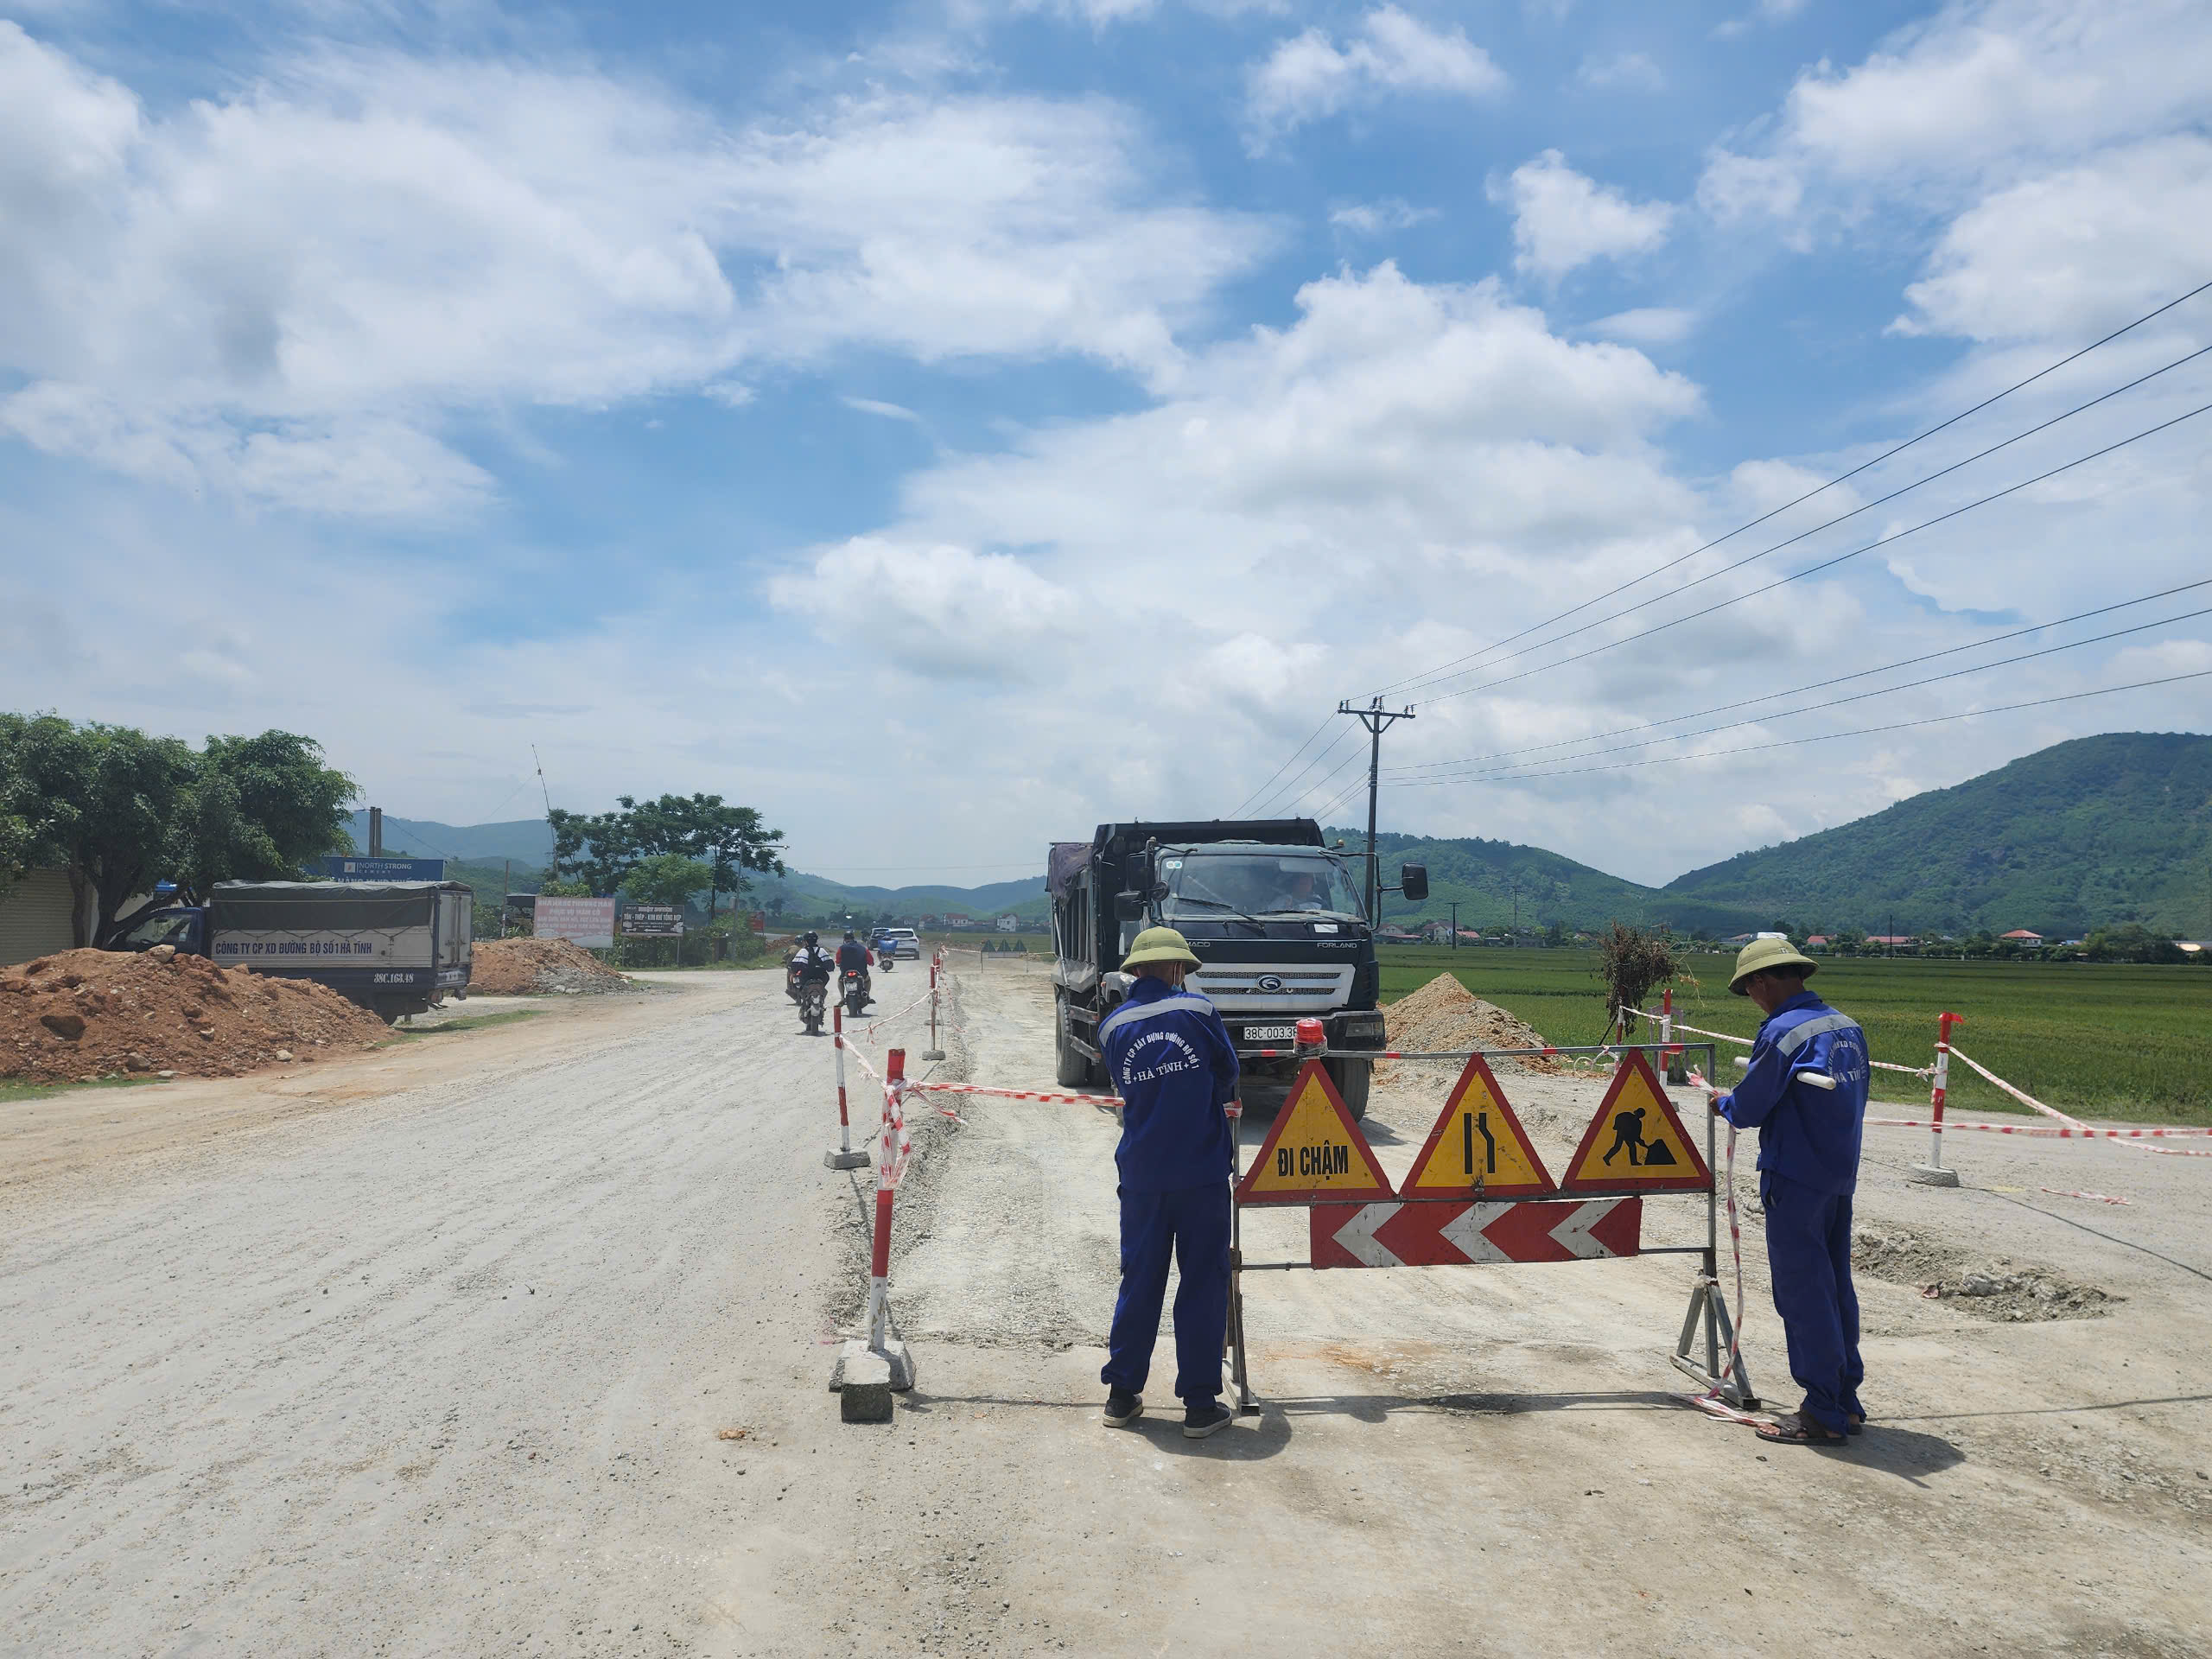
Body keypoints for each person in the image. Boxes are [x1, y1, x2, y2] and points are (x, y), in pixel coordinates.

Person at [1712, 936, 1872, 1448]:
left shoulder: (1784, 1031)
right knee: (1834, 1287)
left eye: (1750, 990)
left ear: (1763, 981)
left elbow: (1752, 1106)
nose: (1753, 1000)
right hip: (1836, 1174)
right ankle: (1845, 1401)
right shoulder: (1846, 1026)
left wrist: (1724, 1103)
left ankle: (1822, 1412)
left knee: (1803, 1294)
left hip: (1795, 1177)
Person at [1096, 926, 1242, 1440]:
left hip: (1141, 1177)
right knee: (1201, 1282)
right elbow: (1227, 1074)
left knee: (1140, 1280)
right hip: (1200, 1173)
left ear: (1135, 970)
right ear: (1179, 968)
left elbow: (1123, 1084)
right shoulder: (1198, 1013)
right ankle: (1200, 1406)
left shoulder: (1112, 1026)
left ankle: (1121, 1395)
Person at [786, 931, 834, 1002]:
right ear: (816, 940)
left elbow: (795, 966)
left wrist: (793, 972)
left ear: (805, 941)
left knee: (802, 988)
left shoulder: (803, 951)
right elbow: (831, 966)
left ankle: (804, 1003)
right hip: (822, 977)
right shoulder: (822, 951)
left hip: (806, 977)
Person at [835, 927, 874, 1006]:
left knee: (840, 981)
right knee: (868, 980)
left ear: (845, 939)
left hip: (845, 973)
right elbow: (871, 961)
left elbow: (838, 961)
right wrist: (871, 964)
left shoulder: (841, 948)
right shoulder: (863, 948)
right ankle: (867, 996)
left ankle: (842, 998)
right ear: (853, 938)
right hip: (861, 973)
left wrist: (838, 964)